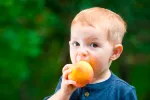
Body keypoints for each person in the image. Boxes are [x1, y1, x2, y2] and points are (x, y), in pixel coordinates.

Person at [44, 7, 137, 100]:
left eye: (94, 45)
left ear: (114, 52)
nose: (82, 51)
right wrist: (64, 93)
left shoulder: (122, 92)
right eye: (76, 44)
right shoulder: (68, 83)